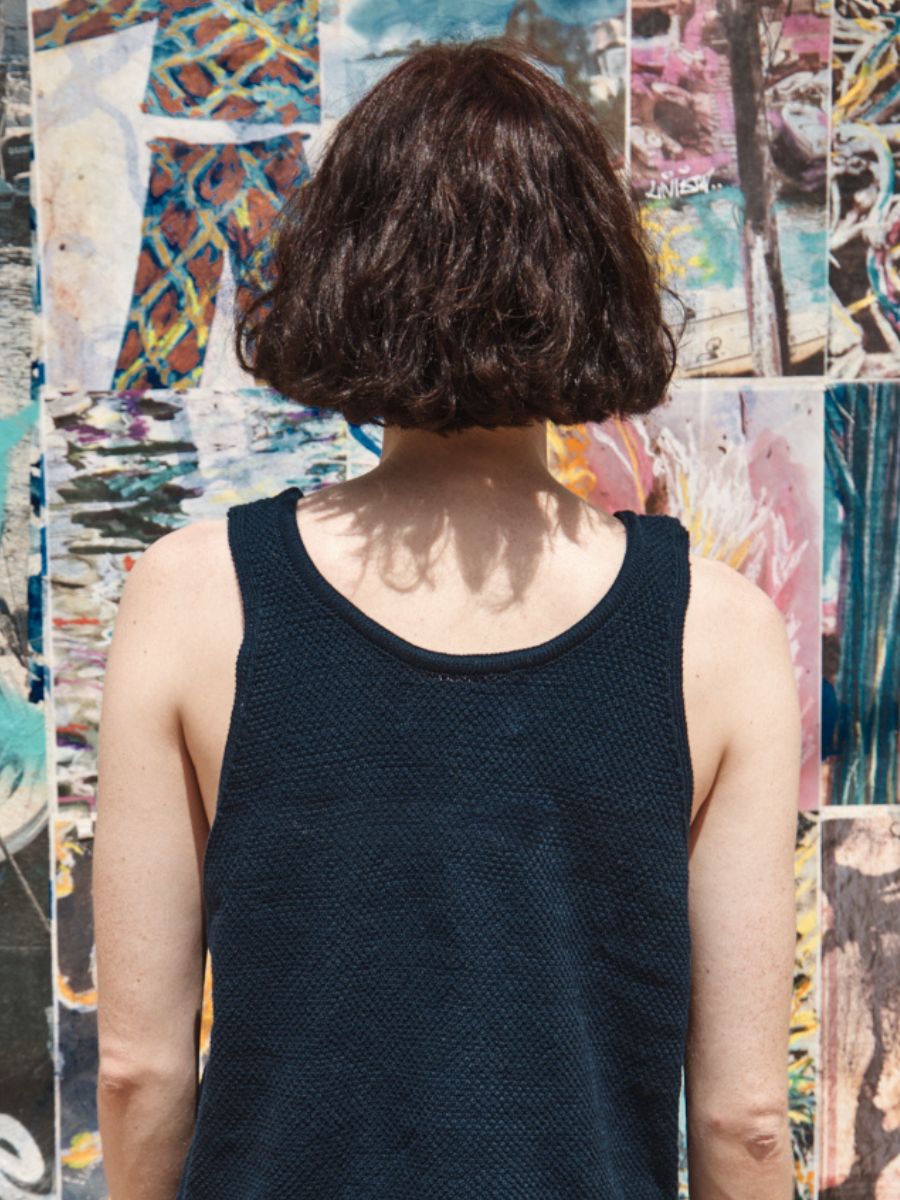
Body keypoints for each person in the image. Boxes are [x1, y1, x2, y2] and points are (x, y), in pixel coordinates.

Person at [95, 36, 801, 1200]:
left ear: (342, 271)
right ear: (593, 278)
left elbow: (137, 1072)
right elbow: (745, 1122)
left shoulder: (189, 595)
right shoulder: (717, 633)